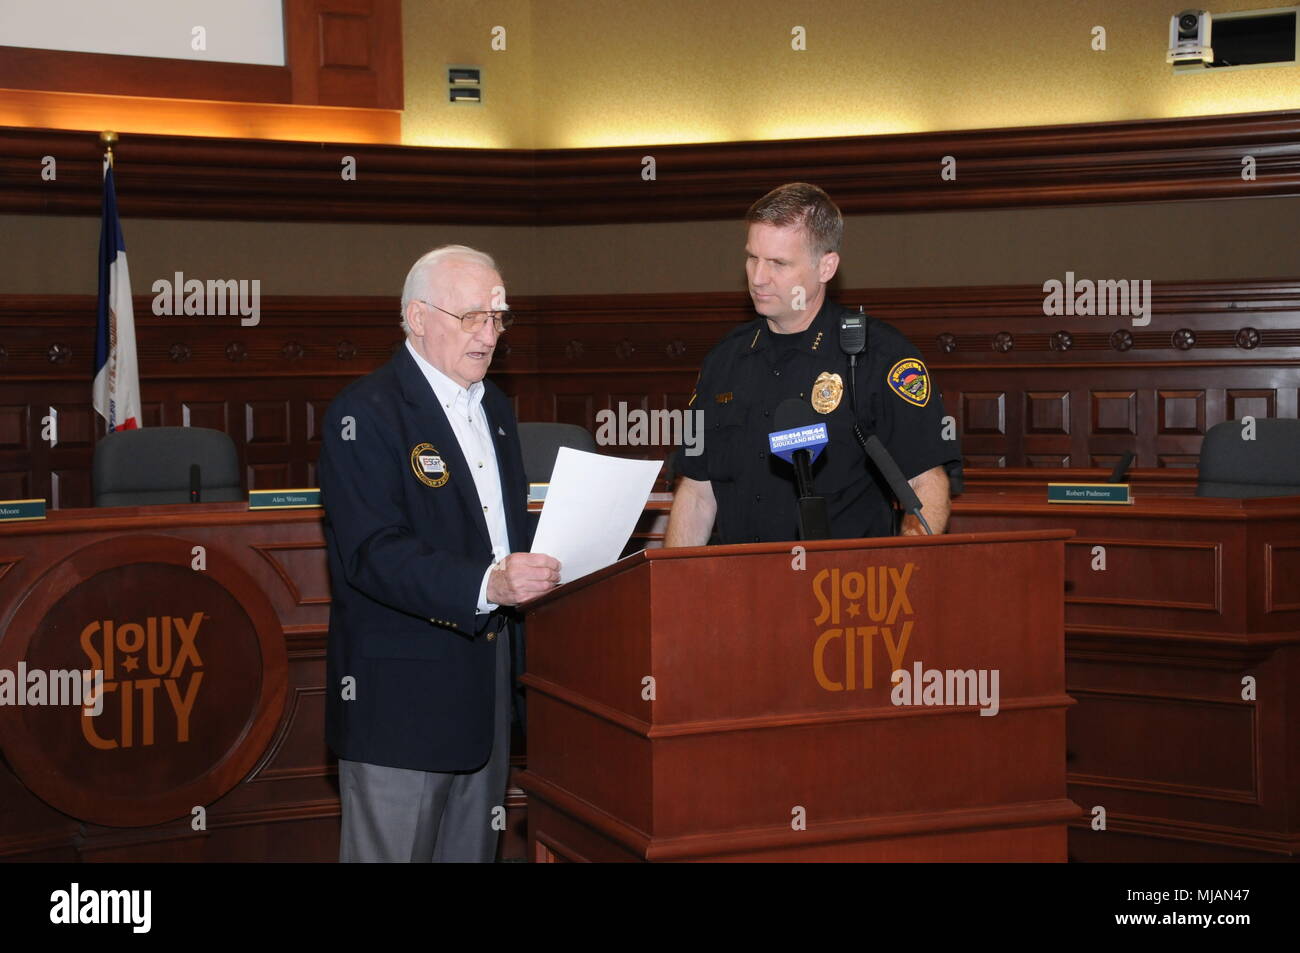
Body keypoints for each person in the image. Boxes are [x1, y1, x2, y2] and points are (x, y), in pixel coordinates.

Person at [318, 244, 560, 862]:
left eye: (499, 318)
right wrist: (488, 584)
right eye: (471, 316)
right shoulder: (363, 414)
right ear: (417, 317)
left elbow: (500, 537)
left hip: (487, 692)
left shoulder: (496, 409)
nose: (488, 335)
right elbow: (372, 553)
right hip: (401, 702)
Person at [664, 183, 960, 546]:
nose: (757, 277)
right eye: (752, 257)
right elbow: (695, 491)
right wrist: (675, 593)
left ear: (826, 266)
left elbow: (925, 485)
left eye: (778, 263)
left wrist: (904, 579)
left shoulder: (880, 357)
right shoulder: (722, 360)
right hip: (739, 589)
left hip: (845, 588)